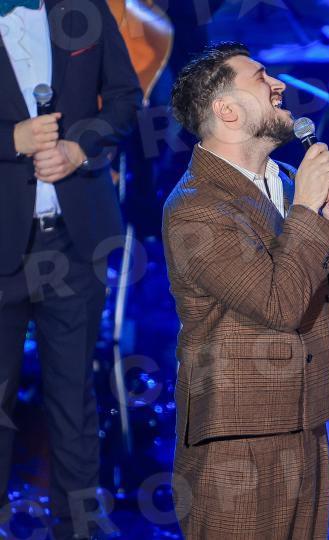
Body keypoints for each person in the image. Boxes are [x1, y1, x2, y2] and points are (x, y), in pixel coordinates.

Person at [164, 42, 329, 538]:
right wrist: (308, 213)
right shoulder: (194, 209)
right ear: (226, 110)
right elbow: (279, 304)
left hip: (308, 423)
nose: (279, 85)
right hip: (238, 438)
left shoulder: (294, 184)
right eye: (261, 78)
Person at [0, 0, 141, 537]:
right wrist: (11, 140)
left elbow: (125, 97)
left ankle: (78, 523)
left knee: (73, 392)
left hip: (73, 238)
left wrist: (79, 149)